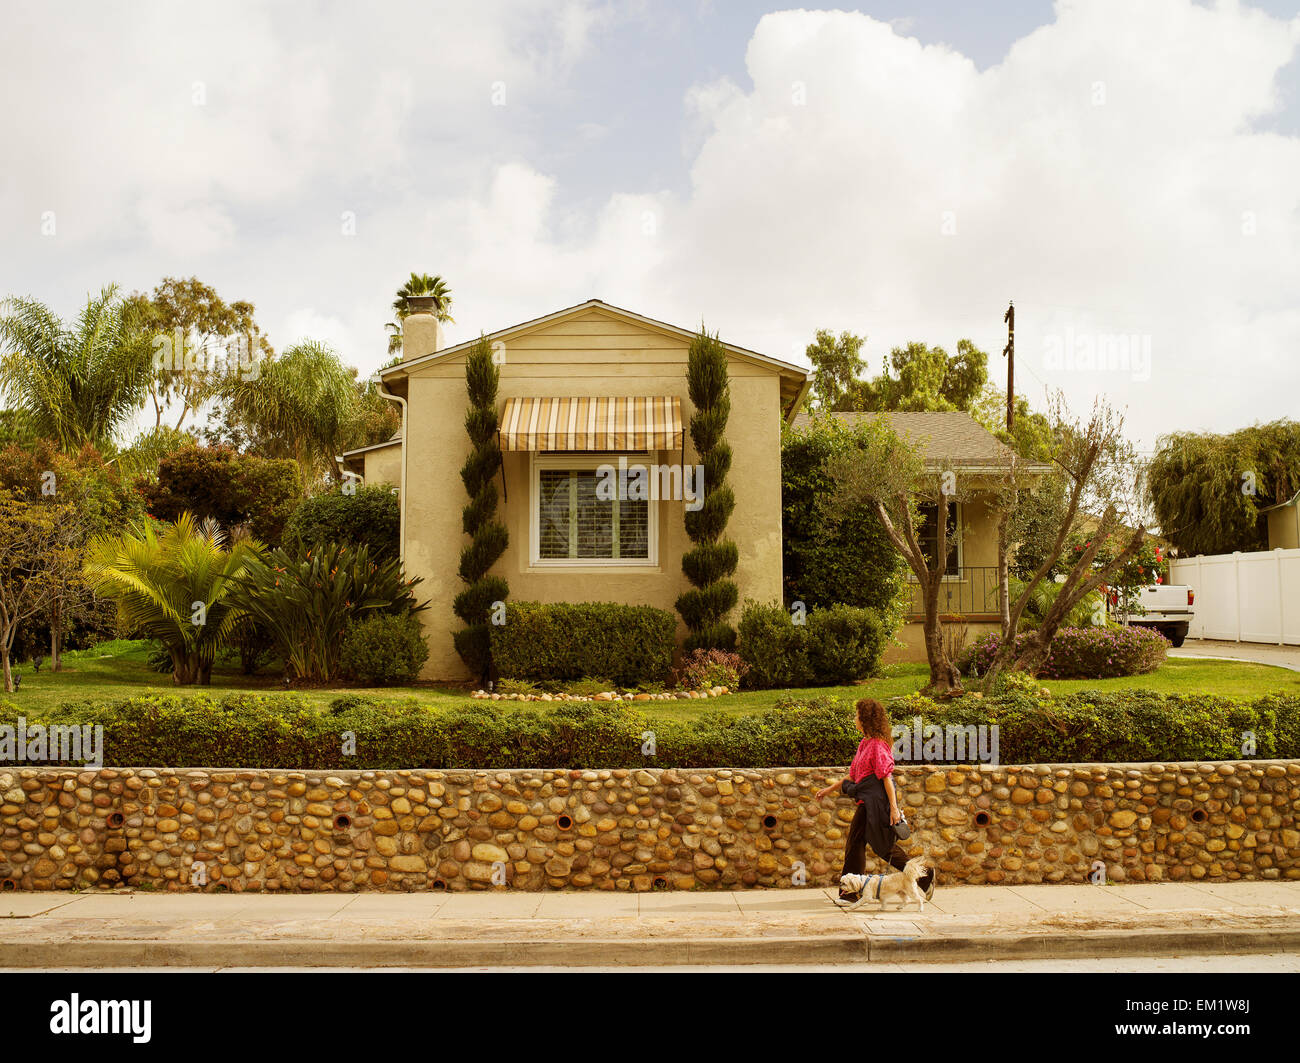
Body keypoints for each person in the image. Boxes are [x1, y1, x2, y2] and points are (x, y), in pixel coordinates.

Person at [815, 696, 934, 904]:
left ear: (865, 719)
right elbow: (853, 776)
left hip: (878, 804)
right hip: (866, 802)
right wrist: (829, 789)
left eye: (857, 715)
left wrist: (894, 809)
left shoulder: (878, 745)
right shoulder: (865, 743)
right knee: (867, 844)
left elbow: (887, 778)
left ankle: (853, 891)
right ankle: (922, 877)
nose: (854, 718)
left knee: (874, 845)